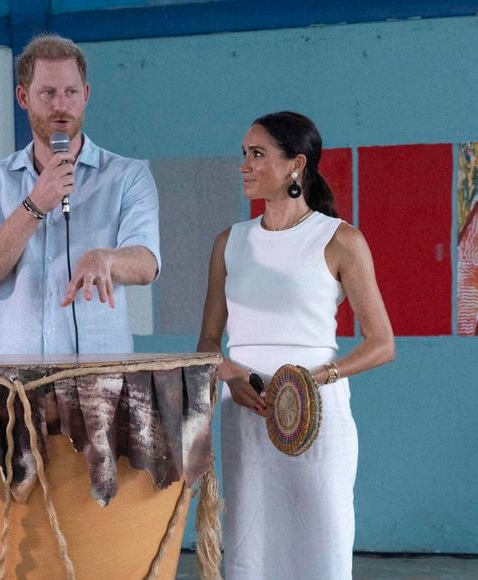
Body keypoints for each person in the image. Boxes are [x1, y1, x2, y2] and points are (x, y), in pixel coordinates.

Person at [197, 111, 394, 579]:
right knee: (251, 551)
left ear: (295, 165)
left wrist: (313, 380)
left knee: (321, 549)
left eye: (258, 154)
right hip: (245, 417)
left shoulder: (340, 239)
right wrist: (228, 372)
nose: (244, 164)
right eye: (243, 154)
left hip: (317, 417)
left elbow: (382, 343)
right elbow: (207, 340)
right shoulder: (229, 243)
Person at [0, 34, 160, 354]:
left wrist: (106, 258)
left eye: (71, 92)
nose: (61, 105)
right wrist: (35, 204)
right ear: (23, 97)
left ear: (86, 94)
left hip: (99, 380)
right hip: (16, 385)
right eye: (48, 93)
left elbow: (147, 263)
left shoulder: (127, 176)